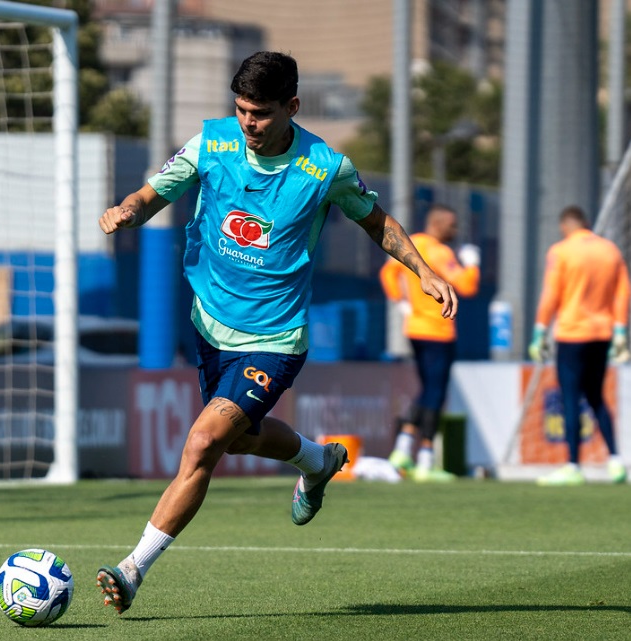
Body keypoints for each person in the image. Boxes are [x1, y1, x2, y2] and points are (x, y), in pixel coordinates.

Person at [95, 51, 458, 615]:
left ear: (292, 106)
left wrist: (425, 270)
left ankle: (132, 569)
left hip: (275, 338)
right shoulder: (211, 143)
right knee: (238, 436)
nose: (247, 123)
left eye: (260, 113)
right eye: (240, 110)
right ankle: (316, 461)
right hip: (210, 325)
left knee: (204, 442)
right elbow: (154, 193)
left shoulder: (325, 168)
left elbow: (378, 222)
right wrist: (125, 210)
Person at [528, 205, 629, 486]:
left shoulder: (561, 251)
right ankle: (615, 460)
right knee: (596, 396)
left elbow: (551, 293)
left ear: (565, 226)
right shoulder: (610, 250)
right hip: (602, 333)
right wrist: (621, 330)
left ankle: (573, 464)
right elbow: (622, 291)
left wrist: (540, 331)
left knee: (570, 396)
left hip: (572, 333)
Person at [380, 205, 480, 482]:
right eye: (453, 225)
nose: (455, 231)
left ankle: (402, 448)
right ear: (439, 223)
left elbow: (388, 273)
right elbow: (468, 287)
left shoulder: (414, 244)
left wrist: (400, 302)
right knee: (436, 393)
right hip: (438, 330)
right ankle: (425, 459)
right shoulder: (439, 252)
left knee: (427, 390)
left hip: (414, 328)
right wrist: (472, 265)